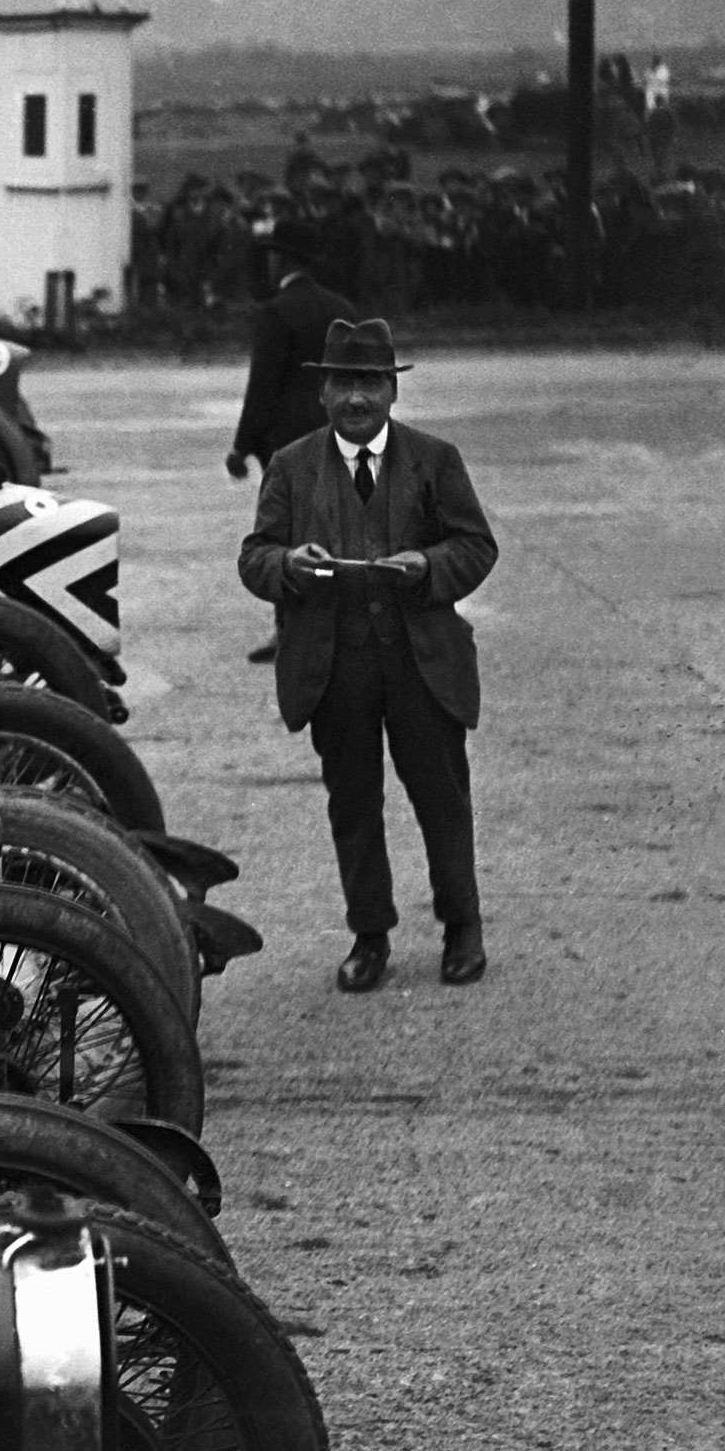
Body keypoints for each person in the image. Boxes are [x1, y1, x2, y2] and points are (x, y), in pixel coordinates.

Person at [238, 319, 496, 994]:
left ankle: (462, 926)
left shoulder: (434, 459)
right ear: (322, 392)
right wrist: (287, 564)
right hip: (335, 665)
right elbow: (254, 555)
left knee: (441, 797)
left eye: (371, 383)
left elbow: (476, 546)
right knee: (353, 804)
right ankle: (370, 935)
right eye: (343, 383)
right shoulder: (292, 465)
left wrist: (430, 565)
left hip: (421, 664)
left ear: (392, 391)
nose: (357, 397)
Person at [226, 232, 358, 663]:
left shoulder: (277, 312)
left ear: (281, 262)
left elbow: (262, 385)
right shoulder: (342, 308)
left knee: (289, 536)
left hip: (288, 443)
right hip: (340, 433)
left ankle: (292, 629)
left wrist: (241, 447)